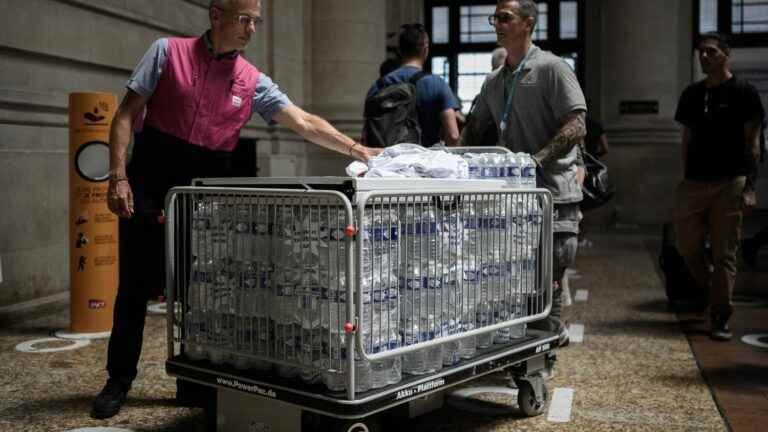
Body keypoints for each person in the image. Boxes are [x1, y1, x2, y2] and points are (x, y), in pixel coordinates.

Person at [91, 0, 381, 420]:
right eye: (244, 19)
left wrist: (358, 150)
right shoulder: (166, 52)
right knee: (134, 285)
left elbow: (303, 122)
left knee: (203, 290)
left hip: (206, 194)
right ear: (217, 15)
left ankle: (197, 379)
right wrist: (117, 176)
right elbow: (124, 116)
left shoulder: (252, 81)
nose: (251, 29)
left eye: (256, 22)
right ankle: (118, 379)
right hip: (149, 180)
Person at [461, 0, 587, 347]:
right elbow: (475, 129)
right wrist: (448, 161)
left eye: (505, 18)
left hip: (553, 195)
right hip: (513, 198)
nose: (496, 25)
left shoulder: (552, 68)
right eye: (495, 18)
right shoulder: (494, 81)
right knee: (514, 282)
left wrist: (536, 161)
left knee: (549, 281)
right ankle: (526, 345)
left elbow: (577, 125)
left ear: (528, 22)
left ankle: (543, 353)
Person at [674, 32, 765, 341]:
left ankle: (720, 315)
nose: (704, 57)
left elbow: (753, 143)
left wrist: (750, 186)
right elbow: (686, 138)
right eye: (701, 52)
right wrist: (685, 176)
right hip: (695, 182)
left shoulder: (744, 92)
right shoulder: (691, 94)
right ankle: (711, 289)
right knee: (686, 244)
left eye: (711, 52)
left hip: (731, 182)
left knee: (725, 251)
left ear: (726, 54)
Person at [365, 23, 460, 147]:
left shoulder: (378, 85)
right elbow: (453, 135)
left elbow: (367, 132)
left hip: (387, 162)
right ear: (425, 48)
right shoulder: (437, 84)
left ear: (399, 49)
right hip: (426, 161)